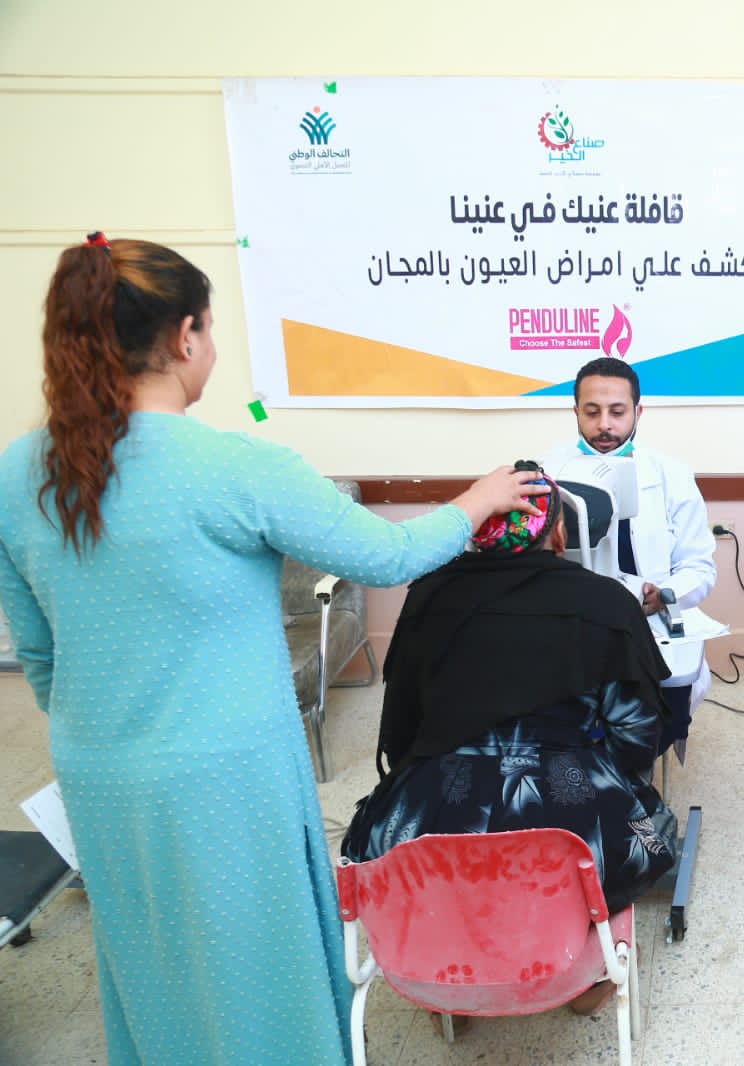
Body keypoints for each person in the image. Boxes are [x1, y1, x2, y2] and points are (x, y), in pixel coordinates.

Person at [0, 235, 543, 1066]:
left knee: (150, 954)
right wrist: (479, 498)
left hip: (98, 770)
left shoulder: (18, 473)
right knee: (258, 962)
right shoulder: (237, 466)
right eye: (210, 329)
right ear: (185, 336)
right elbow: (388, 556)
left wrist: (114, 726)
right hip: (226, 772)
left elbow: (37, 655)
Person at [341, 464, 676, 915]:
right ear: (559, 532)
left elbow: (403, 725)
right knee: (651, 829)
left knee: (383, 851)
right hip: (572, 832)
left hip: (430, 819)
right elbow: (636, 735)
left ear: (480, 528)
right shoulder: (608, 601)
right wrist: (608, 786)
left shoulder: (428, 595)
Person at [542, 356, 716, 748]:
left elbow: (699, 567)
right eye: (592, 412)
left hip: (648, 623)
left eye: (617, 412)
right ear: (575, 412)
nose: (605, 424)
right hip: (569, 625)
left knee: (655, 720)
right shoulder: (546, 473)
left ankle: (632, 769)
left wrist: (665, 595)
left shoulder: (672, 475)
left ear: (638, 412)